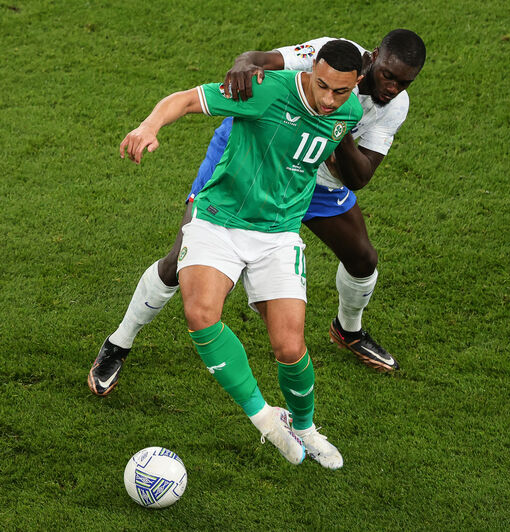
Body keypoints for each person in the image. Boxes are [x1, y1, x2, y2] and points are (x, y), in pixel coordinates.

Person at [88, 30, 427, 397]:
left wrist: (337, 125)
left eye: (403, 83)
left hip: (312, 173)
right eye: (388, 76)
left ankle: (348, 330)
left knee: (363, 259)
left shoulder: (393, 107)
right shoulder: (329, 55)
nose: (392, 88)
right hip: (253, 158)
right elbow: (257, 60)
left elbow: (360, 176)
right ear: (373, 58)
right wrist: (243, 67)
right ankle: (118, 343)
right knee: (176, 263)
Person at [115, 39, 365, 469]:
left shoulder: (350, 112)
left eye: (339, 91)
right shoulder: (265, 89)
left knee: (289, 346)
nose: (328, 99)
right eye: (321, 86)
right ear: (310, 72)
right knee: (200, 313)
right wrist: (149, 127)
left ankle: (304, 427)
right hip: (220, 220)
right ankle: (267, 420)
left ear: (356, 84)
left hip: (279, 234)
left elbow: (328, 148)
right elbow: (186, 100)